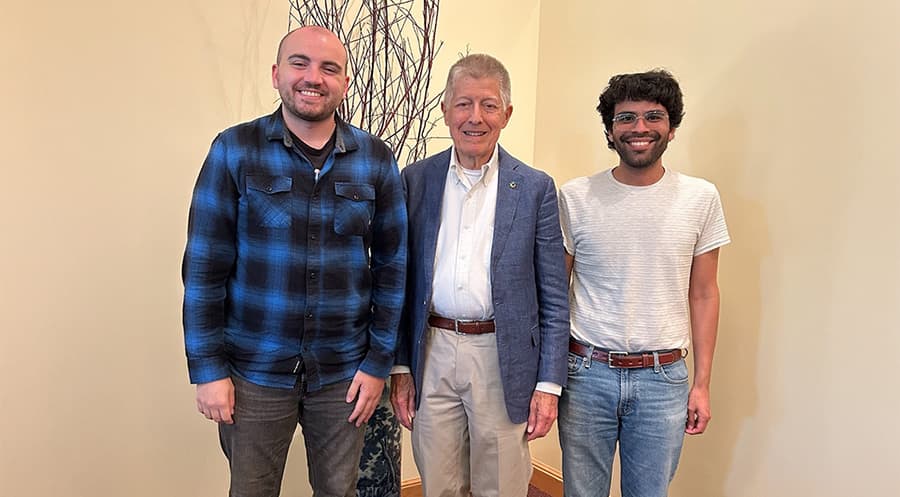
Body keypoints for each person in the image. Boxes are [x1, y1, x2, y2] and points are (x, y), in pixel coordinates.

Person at [181, 26, 407, 497]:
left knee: (339, 491)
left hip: (344, 374)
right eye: (300, 63)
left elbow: (392, 268)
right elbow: (204, 269)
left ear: (344, 82)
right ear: (276, 74)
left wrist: (378, 363)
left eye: (329, 68)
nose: (313, 78)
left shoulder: (375, 159)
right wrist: (208, 369)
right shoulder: (234, 150)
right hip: (254, 372)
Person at [390, 54, 570, 497]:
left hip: (502, 354)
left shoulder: (535, 188)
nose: (475, 117)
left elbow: (553, 292)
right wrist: (400, 366)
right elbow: (399, 280)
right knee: (439, 482)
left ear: (507, 114)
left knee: (502, 484)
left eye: (489, 105)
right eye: (463, 104)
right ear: (445, 109)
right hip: (431, 352)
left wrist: (548, 385)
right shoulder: (415, 180)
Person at [557, 69, 731, 497]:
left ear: (671, 128)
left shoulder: (701, 198)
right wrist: (545, 381)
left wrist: (702, 384)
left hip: (663, 378)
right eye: (626, 117)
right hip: (584, 375)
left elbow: (705, 292)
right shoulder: (575, 197)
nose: (639, 128)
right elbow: (555, 294)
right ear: (610, 131)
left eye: (653, 116)